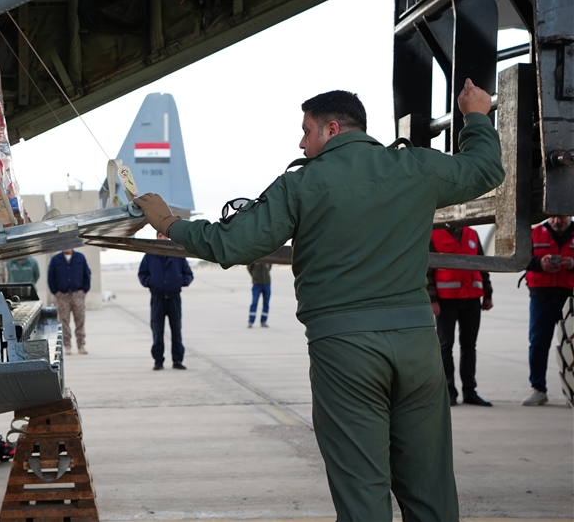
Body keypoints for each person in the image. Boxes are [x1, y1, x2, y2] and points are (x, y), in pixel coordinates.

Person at [134, 81, 503, 521]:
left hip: (346, 350)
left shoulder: (302, 185)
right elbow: (485, 170)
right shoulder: (416, 167)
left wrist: (170, 223)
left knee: (362, 488)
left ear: (330, 129)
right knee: (430, 487)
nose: (301, 142)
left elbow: (230, 245)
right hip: (418, 347)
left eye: (306, 131)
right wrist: (476, 116)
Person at [427, 225, 494, 406]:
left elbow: (482, 265)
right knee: (445, 346)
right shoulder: (434, 234)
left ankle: (469, 391)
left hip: (471, 298)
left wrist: (487, 294)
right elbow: (427, 269)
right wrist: (432, 298)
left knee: (469, 346)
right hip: (446, 301)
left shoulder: (471, 234)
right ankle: (448, 392)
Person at [520, 215, 574, 406]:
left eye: (562, 216)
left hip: (570, 298)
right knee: (538, 343)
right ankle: (538, 389)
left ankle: (571, 392)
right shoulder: (535, 233)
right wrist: (539, 264)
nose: (558, 220)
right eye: (554, 217)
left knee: (572, 346)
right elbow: (521, 259)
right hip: (541, 297)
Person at [138, 233, 194, 370]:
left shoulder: (177, 255)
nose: (163, 239)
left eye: (165, 236)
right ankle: (158, 360)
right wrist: (151, 283)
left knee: (176, 330)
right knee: (157, 330)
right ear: (157, 238)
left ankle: (178, 360)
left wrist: (179, 282)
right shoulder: (149, 255)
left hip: (174, 298)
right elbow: (142, 274)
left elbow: (189, 274)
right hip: (157, 298)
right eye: (160, 236)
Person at [47, 249, 92, 355]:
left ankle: (81, 345)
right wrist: (55, 292)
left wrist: (85, 290)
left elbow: (87, 274)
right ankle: (67, 346)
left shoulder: (80, 257)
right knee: (64, 321)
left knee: (80, 320)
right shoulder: (55, 259)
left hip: (78, 294)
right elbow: (51, 277)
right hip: (62, 296)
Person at [246, 261, 272, 328]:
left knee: (266, 303)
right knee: (254, 302)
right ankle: (251, 321)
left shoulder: (268, 257)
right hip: (257, 283)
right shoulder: (255, 258)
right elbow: (249, 267)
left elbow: (270, 266)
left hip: (267, 283)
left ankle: (264, 321)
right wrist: (254, 277)